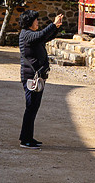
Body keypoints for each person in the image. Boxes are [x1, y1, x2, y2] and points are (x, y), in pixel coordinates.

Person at [18, 9, 64, 149]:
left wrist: (56, 27)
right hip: (30, 77)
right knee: (31, 107)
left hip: (37, 76)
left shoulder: (32, 35)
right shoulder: (26, 34)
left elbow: (46, 37)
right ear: (29, 22)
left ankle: (28, 137)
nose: (37, 22)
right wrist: (53, 24)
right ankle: (25, 140)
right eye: (35, 20)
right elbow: (41, 35)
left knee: (33, 107)